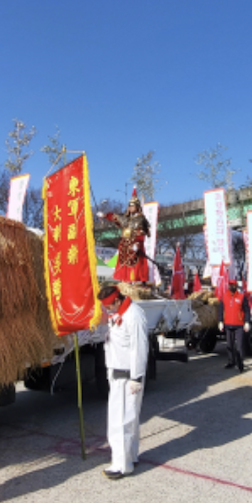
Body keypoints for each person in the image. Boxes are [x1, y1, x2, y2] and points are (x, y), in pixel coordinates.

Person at [98, 285, 149, 479]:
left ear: (118, 300)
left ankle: (121, 465)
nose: (107, 310)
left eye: (109, 306)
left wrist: (137, 377)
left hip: (127, 376)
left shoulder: (133, 315)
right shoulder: (119, 312)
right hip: (117, 373)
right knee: (128, 419)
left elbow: (139, 347)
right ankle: (131, 456)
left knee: (121, 422)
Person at [98, 188, 151, 283]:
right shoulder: (126, 218)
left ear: (138, 207)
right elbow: (115, 217)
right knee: (124, 264)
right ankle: (125, 282)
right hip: (124, 245)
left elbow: (141, 233)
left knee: (135, 265)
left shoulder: (141, 219)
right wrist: (104, 215)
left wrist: (137, 244)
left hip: (134, 244)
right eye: (129, 206)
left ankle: (136, 282)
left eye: (133, 206)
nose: (130, 208)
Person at [218, 279, 250, 372]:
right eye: (230, 285)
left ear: (236, 286)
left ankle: (240, 363)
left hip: (239, 324)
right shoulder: (224, 297)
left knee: (239, 345)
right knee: (229, 344)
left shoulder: (241, 296)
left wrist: (247, 321)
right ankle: (231, 361)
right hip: (228, 324)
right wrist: (220, 321)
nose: (231, 287)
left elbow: (246, 310)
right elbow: (220, 310)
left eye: (233, 285)